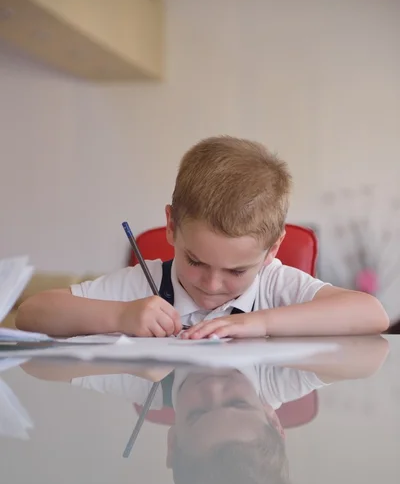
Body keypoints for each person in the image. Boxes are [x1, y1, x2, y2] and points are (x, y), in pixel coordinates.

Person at [16, 136, 389, 338]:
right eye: (195, 261)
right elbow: (33, 313)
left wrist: (260, 323)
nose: (211, 285)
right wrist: (120, 314)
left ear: (272, 250)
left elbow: (372, 314)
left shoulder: (274, 284)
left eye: (237, 271)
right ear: (172, 227)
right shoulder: (143, 286)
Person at [22, 335, 389, 484]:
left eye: (197, 413)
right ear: (273, 418)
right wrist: (270, 324)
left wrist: (128, 360)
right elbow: (375, 353)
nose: (214, 386)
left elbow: (33, 362)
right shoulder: (279, 378)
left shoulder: (141, 382)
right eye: (236, 403)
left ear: (172, 440)